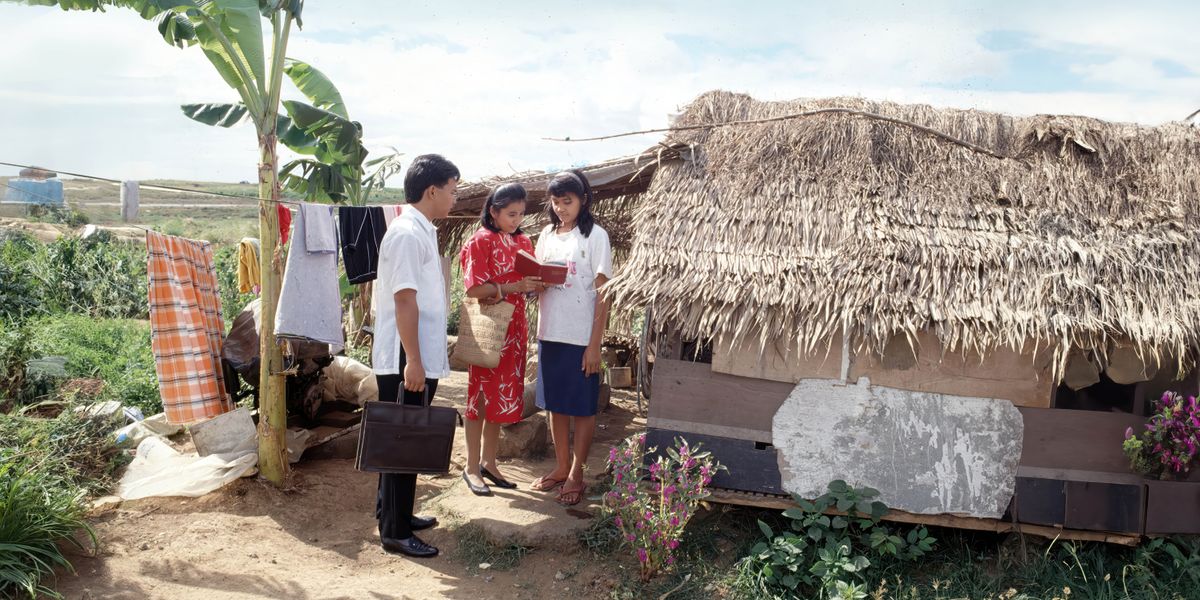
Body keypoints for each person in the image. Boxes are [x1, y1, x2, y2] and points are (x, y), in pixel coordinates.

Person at [372, 153, 459, 558]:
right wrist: (414, 361)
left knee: (402, 436)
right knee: (403, 441)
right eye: (453, 190)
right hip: (406, 358)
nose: (455, 198)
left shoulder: (421, 230)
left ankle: (396, 514)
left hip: (413, 355)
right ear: (432, 191)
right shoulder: (408, 234)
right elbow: (405, 301)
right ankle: (394, 532)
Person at [529, 169, 612, 506]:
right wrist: (537, 282)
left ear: (583, 200)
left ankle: (578, 471)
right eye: (556, 201)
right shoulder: (547, 235)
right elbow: (536, 279)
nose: (561, 207)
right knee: (555, 405)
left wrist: (595, 344)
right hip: (550, 332)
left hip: (581, 338)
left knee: (582, 407)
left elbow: (603, 294)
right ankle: (561, 466)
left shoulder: (596, 237)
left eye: (568, 201)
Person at [458, 183, 543, 496]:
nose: (517, 219)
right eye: (510, 213)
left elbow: (528, 283)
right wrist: (513, 287)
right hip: (489, 330)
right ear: (493, 211)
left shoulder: (523, 240)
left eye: (521, 213)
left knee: (500, 398)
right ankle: (470, 467)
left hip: (516, 332)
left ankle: (489, 463)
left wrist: (536, 284)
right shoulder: (480, 241)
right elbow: (473, 290)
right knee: (479, 398)